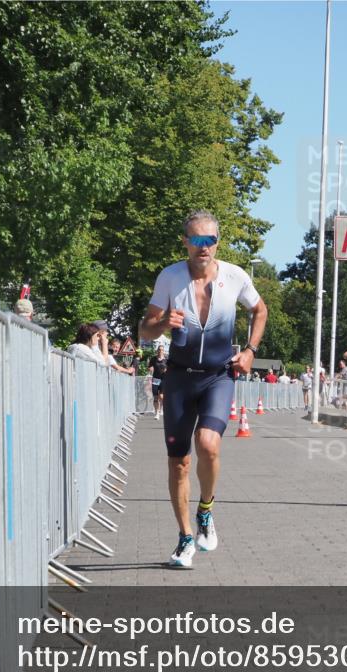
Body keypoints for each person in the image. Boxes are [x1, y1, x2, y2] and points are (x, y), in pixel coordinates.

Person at [139, 210, 267, 568]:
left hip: (218, 375)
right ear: (185, 242)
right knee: (179, 462)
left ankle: (206, 510)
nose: (203, 247)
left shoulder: (235, 276)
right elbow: (145, 330)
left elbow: (260, 310)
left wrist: (250, 351)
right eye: (196, 240)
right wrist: (162, 322)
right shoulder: (170, 278)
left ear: (217, 243)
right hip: (179, 376)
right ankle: (183, 539)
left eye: (209, 240)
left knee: (208, 444)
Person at [148, 345, 168, 420]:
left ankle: (161, 409)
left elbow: (171, 369)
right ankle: (156, 413)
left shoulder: (166, 359)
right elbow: (149, 366)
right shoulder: (153, 359)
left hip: (164, 379)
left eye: (162, 350)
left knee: (161, 396)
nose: (160, 351)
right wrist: (150, 368)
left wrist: (166, 370)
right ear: (157, 350)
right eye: (159, 350)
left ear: (163, 351)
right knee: (155, 397)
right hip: (155, 379)